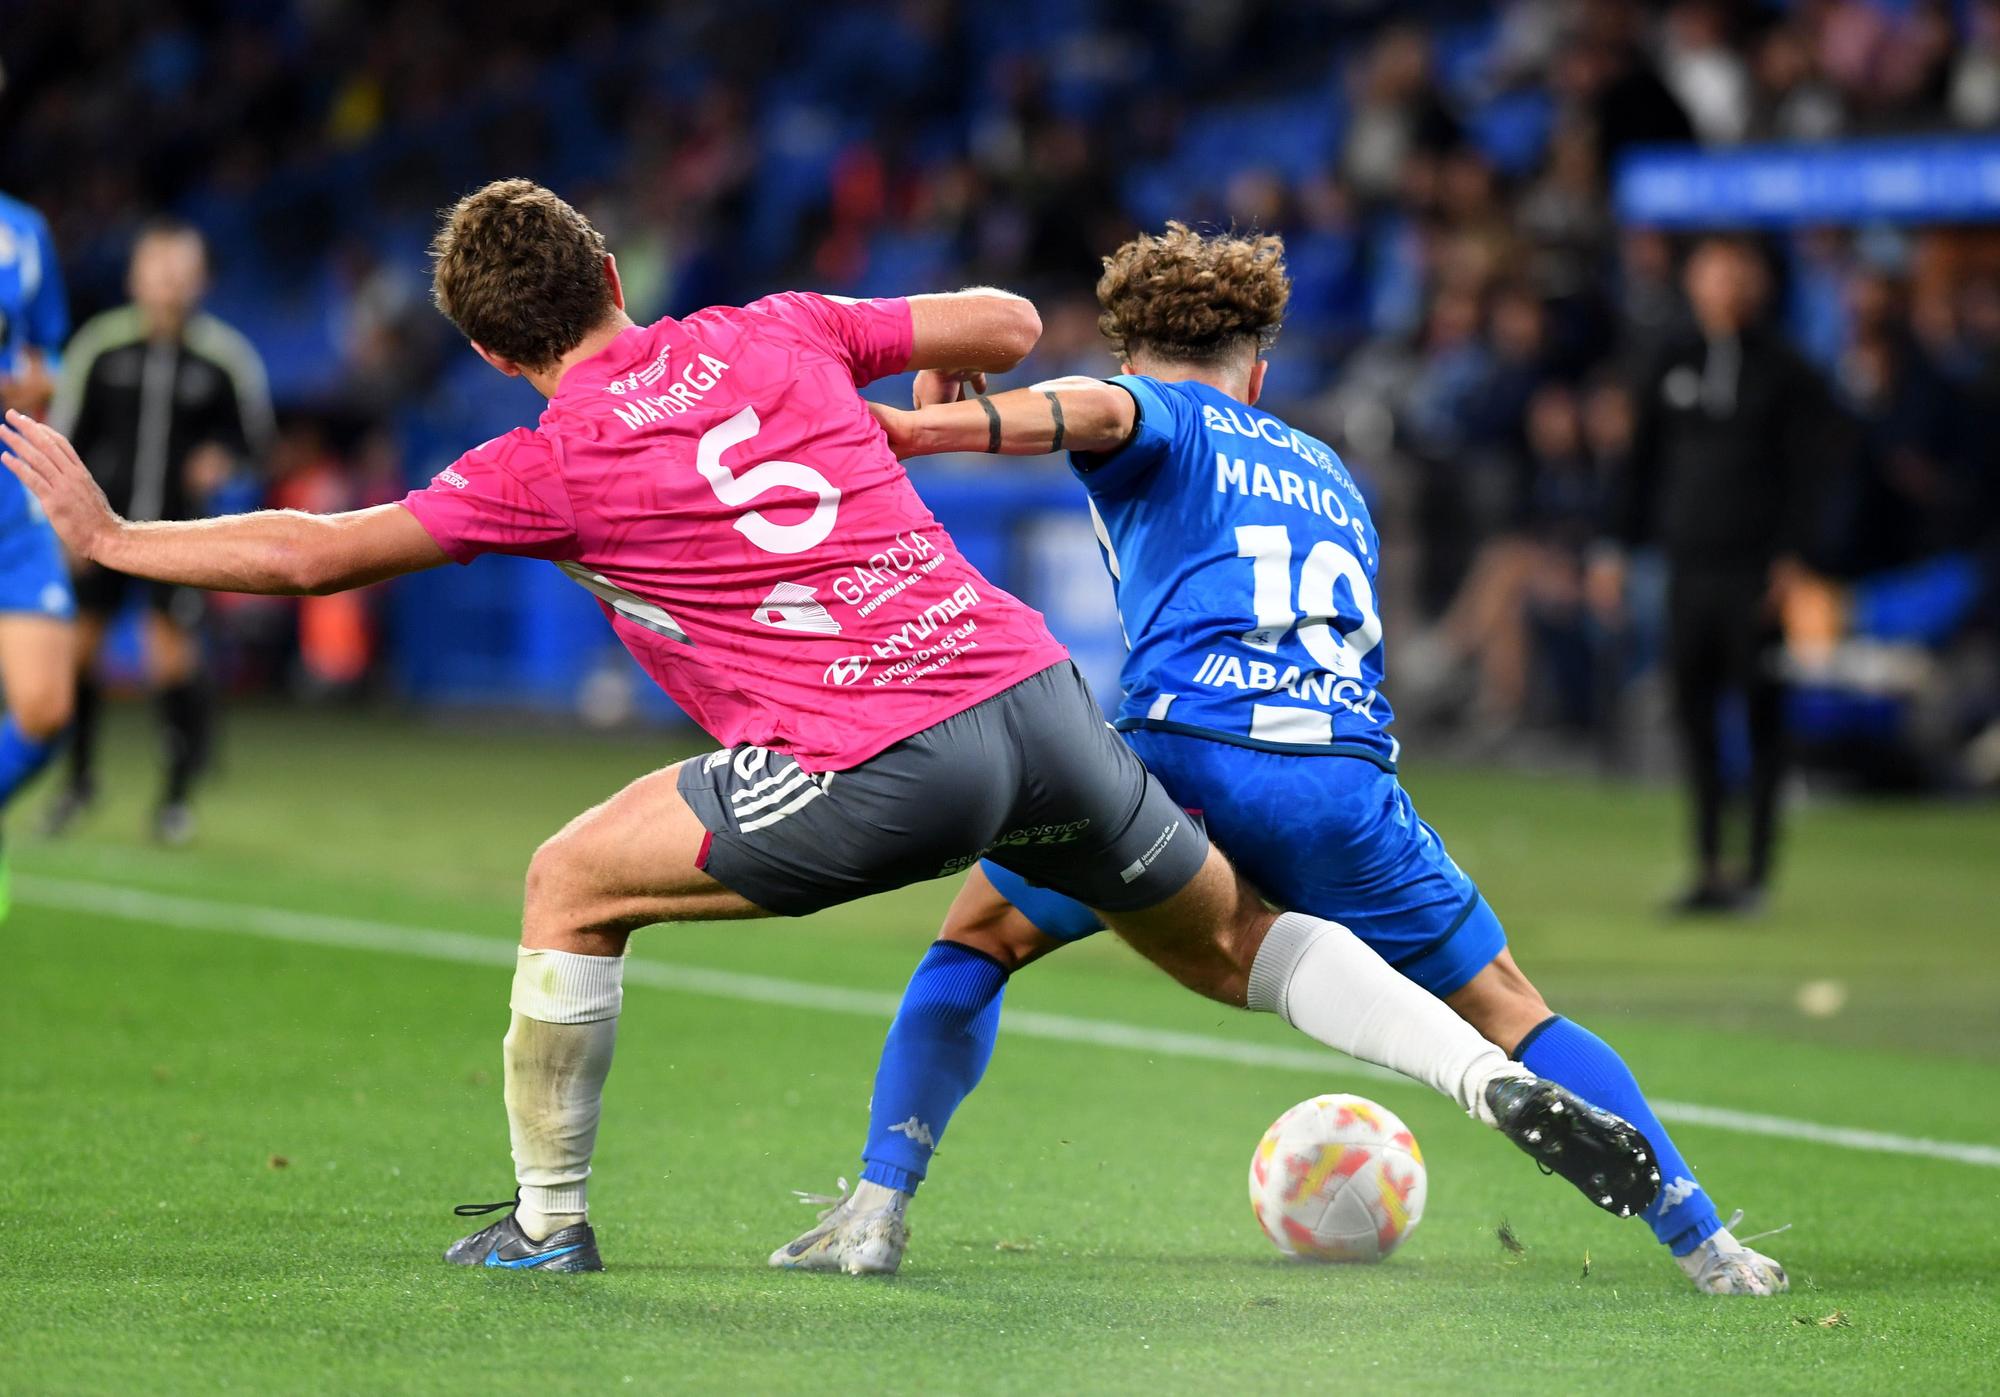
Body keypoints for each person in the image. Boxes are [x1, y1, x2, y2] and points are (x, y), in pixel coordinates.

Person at [2, 180, 1657, 1275]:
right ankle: (1473, 1068)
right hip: (1035, 698)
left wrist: (115, 541)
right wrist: (908, 398)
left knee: (570, 878)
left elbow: (314, 549)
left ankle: (549, 1224)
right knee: (1236, 941)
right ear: (613, 278)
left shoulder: (537, 460)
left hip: (884, 753)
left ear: (502, 348)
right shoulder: (771, 328)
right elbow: (1012, 321)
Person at [786, 223, 1783, 1296]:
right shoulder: (1328, 471)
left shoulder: (1146, 406)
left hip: (1181, 763)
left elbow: (1102, 411)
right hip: (1341, 781)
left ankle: (878, 1205)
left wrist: (919, 428)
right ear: (1257, 373)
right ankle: (1704, 1239)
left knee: (974, 942)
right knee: (1509, 1005)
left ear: (1129, 353)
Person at [1589, 236, 1831, 914]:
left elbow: (1812, 474)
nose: (1724, 283)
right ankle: (1705, 862)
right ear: (1693, 280)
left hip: (1757, 573)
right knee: (1693, 715)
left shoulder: (1787, 372)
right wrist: (1612, 546)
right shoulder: (1670, 360)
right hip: (1687, 570)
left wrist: (1797, 556)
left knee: (1760, 714)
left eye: (1736, 270)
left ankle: (1754, 868)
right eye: (1712, 270)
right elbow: (1637, 467)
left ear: (1757, 281)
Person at [40, 219, 273, 846]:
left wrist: (224, 458)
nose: (169, 281)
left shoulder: (223, 359)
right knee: (78, 654)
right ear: (134, 275)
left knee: (170, 658)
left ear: (200, 279)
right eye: (158, 267)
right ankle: (78, 782)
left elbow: (255, 441)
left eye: (182, 268)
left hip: (179, 538)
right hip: (96, 535)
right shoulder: (102, 348)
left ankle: (174, 801)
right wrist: (64, 526)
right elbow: (64, 438)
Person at [0, 188, 75, 920]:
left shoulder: (24, 230)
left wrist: (37, 378)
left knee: (45, 707)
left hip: (9, 496)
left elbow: (47, 348)